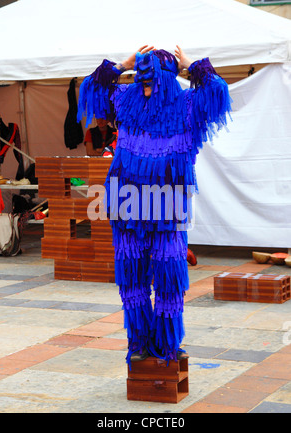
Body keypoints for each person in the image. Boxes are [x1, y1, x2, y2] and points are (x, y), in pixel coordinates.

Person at [77, 45, 231, 366]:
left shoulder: (187, 105)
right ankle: (139, 343)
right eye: (141, 80)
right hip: (127, 204)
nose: (144, 87)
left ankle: (166, 344)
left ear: (169, 79)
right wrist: (122, 65)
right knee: (132, 280)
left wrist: (193, 65)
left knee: (168, 277)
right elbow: (90, 89)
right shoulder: (126, 100)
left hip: (167, 207)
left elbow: (218, 92)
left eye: (150, 81)